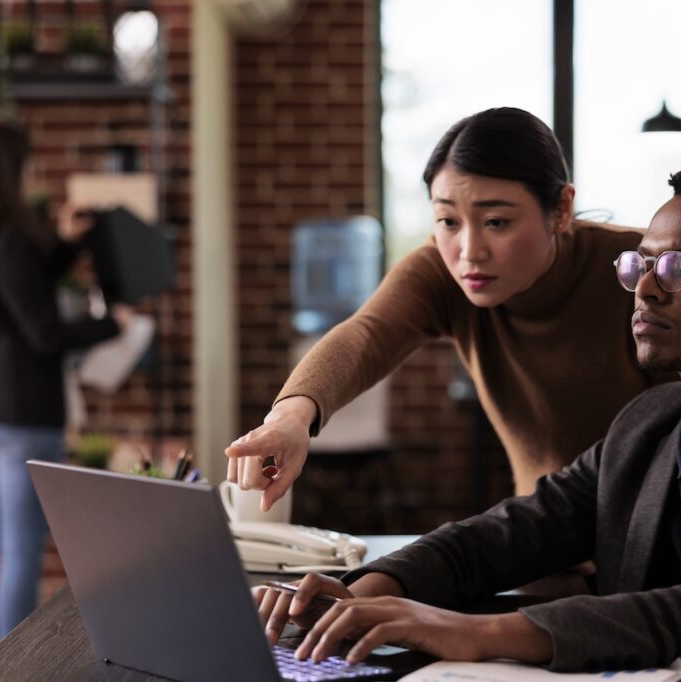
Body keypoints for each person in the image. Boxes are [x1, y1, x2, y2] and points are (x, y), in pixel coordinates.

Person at [255, 160, 681, 680]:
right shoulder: (647, 426)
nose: (645, 288)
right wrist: (365, 593)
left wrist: (474, 633)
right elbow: (498, 539)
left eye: (679, 268)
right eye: (639, 264)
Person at [227, 107, 653, 508]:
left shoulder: (638, 267)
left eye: (497, 222)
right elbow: (366, 335)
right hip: (544, 536)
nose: (470, 252)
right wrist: (289, 417)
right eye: (449, 221)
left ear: (561, 209)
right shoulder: (442, 271)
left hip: (662, 541)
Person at [0, 122, 132, 682]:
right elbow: (43, 333)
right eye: (24, 166)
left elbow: (20, 288)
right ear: (8, 172)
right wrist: (108, 324)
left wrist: (66, 246)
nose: (31, 175)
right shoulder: (13, 244)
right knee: (20, 552)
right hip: (18, 414)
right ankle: (15, 676)